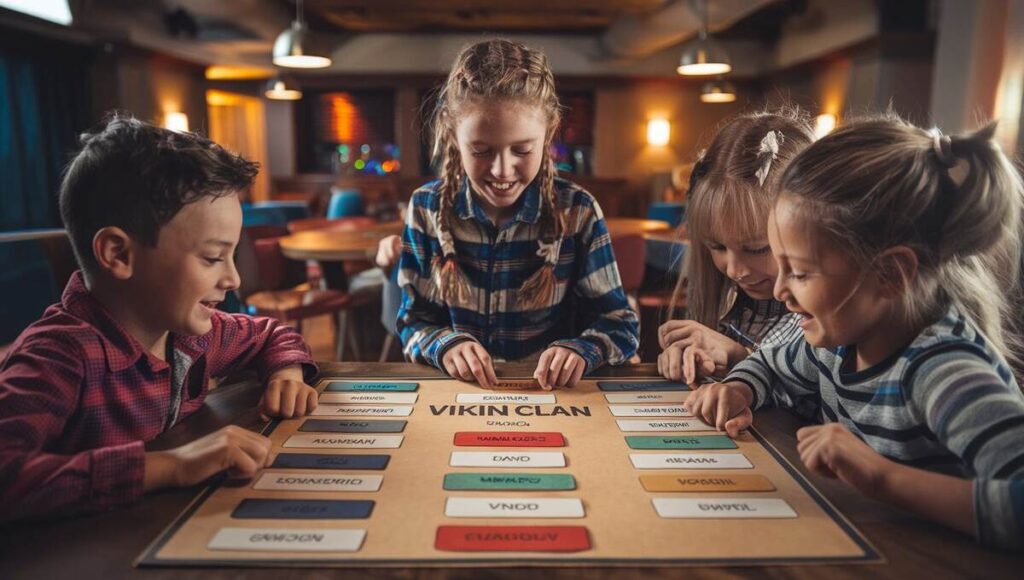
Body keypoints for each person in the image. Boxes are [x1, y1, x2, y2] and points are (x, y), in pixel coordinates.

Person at [685, 115, 1024, 549]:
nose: (780, 289)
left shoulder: (944, 372)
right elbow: (769, 364)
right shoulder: (838, 345)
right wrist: (738, 388)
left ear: (890, 273)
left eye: (800, 273)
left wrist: (882, 477)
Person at [0, 115, 319, 522]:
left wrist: (287, 374)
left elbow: (270, 333)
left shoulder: (191, 334)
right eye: (211, 258)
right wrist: (174, 465)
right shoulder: (58, 355)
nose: (233, 278)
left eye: (232, 256)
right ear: (119, 254)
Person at [397, 39, 639, 390]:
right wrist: (444, 344)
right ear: (452, 133)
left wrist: (582, 349)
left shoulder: (579, 211)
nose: (502, 170)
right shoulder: (425, 209)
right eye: (480, 150)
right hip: (458, 394)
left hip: (551, 396)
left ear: (549, 133)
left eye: (522, 149)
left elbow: (619, 323)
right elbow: (411, 322)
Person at [657, 111, 814, 386]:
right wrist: (693, 360)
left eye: (756, 249)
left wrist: (740, 358)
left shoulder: (827, 321)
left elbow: (813, 394)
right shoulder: (729, 304)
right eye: (716, 246)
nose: (734, 270)